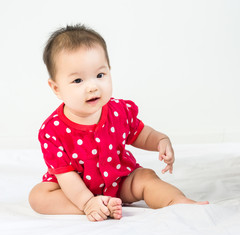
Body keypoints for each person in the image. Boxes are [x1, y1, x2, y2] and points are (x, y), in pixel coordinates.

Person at [29, 24, 209, 222]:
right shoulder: (52, 130)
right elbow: (66, 176)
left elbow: (141, 134)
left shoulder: (118, 110)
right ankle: (97, 206)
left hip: (119, 180)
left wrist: (160, 140)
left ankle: (177, 201)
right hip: (74, 190)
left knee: (146, 177)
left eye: (100, 75)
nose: (92, 87)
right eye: (78, 80)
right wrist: (87, 201)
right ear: (56, 88)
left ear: (109, 71)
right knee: (38, 197)